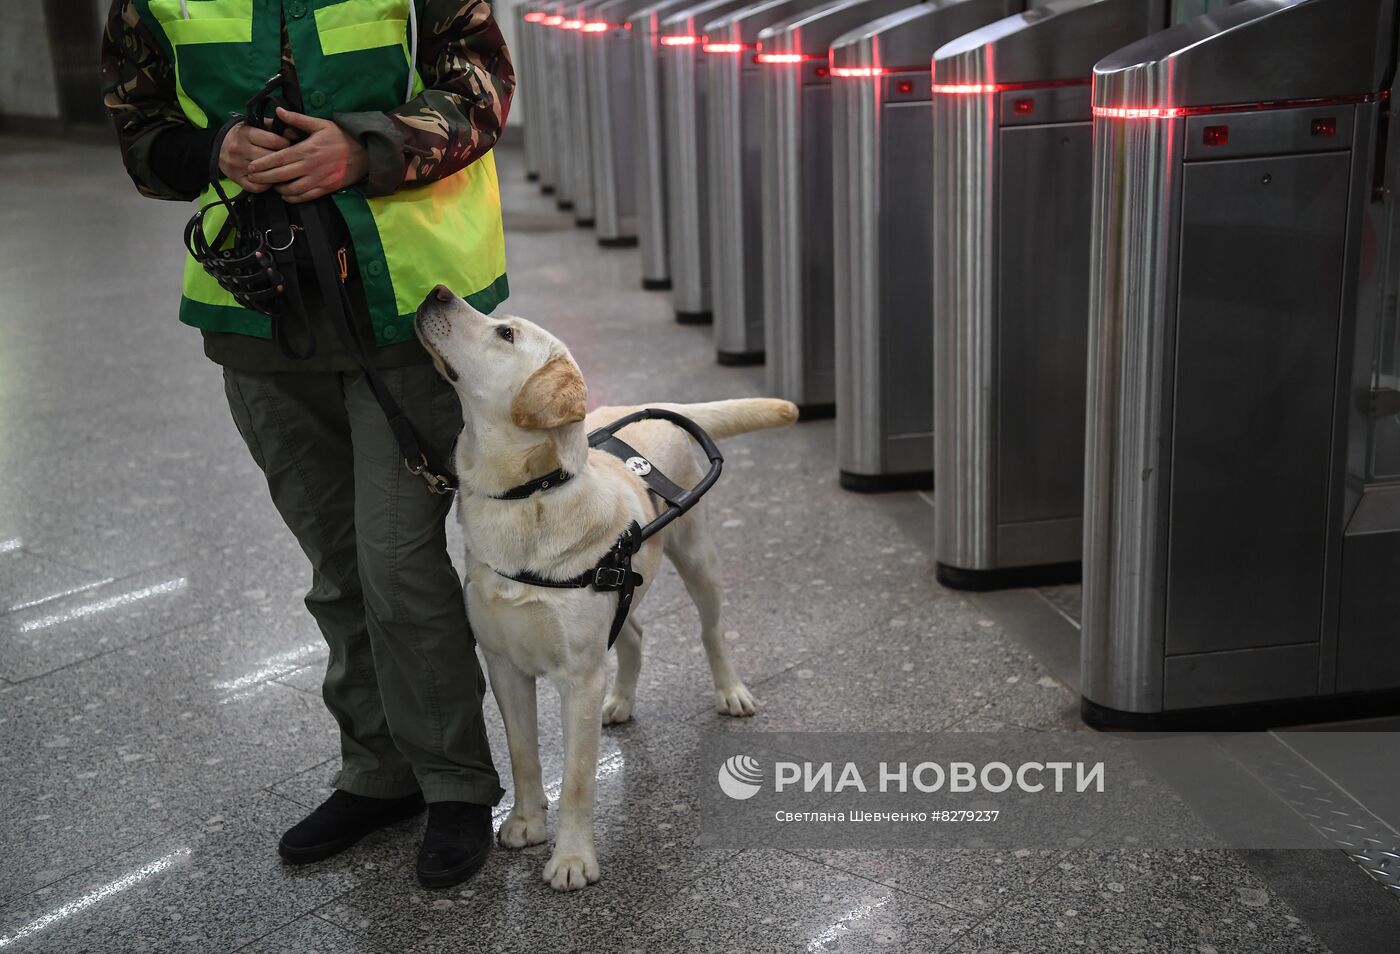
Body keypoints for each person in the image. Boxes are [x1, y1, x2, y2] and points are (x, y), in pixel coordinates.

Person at [101, 0, 513, 889]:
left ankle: (454, 785)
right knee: (338, 564)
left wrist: (361, 148)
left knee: (397, 563)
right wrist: (215, 152)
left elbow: (480, 89)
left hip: (412, 310)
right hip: (260, 316)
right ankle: (380, 774)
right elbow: (138, 127)